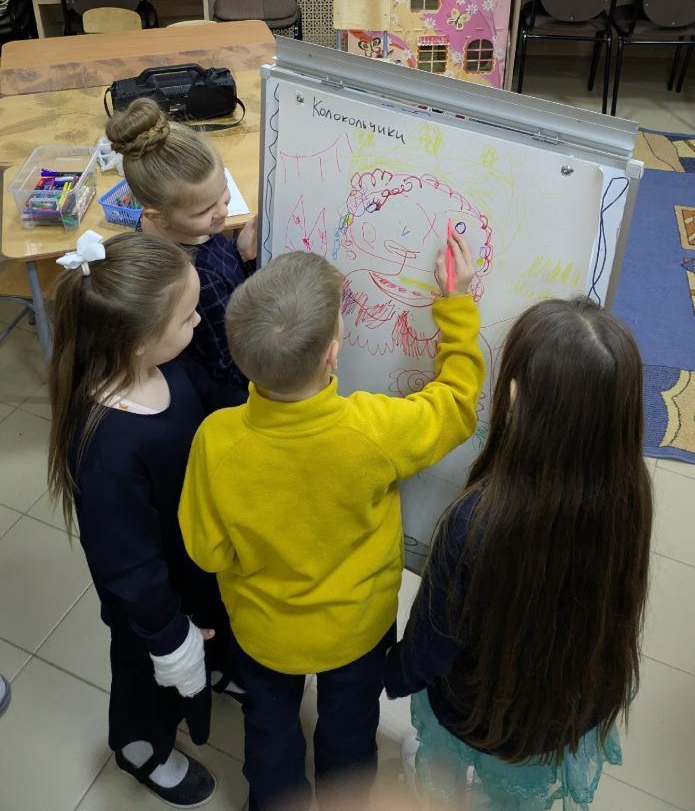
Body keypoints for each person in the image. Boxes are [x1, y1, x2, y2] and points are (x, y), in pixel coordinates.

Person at [179, 232, 485, 810]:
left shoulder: (215, 439)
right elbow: (456, 402)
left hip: (264, 633)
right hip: (357, 630)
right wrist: (457, 306)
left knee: (269, 731)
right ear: (333, 354)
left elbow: (207, 551)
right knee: (349, 731)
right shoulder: (373, 428)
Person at [383, 297, 653, 810]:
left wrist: (393, 674)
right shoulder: (629, 492)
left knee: (441, 781)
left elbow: (431, 645)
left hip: (473, 714)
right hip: (565, 712)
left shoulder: (474, 521)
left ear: (513, 395)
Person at [47, 230, 238, 809]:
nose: (199, 323)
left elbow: (213, 403)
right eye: (188, 317)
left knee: (215, 630)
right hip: (153, 603)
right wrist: (170, 636)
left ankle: (214, 670)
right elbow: (129, 566)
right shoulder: (108, 450)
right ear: (136, 343)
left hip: (196, 563)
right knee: (148, 679)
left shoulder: (169, 368)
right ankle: (140, 748)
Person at [106, 98, 256, 408]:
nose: (223, 211)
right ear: (157, 216)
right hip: (225, 386)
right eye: (204, 209)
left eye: (223, 192)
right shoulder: (200, 279)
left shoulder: (171, 229)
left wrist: (238, 253)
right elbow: (228, 361)